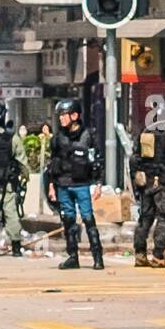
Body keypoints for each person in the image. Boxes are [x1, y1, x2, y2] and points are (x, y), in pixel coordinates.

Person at [46, 98, 105, 271]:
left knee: (88, 219)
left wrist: (99, 184)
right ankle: (73, 257)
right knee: (68, 221)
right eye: (60, 116)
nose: (61, 119)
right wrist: (51, 186)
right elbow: (52, 163)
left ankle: (97, 257)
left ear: (75, 115)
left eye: (64, 115)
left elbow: (97, 161)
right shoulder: (58, 138)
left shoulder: (88, 136)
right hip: (63, 184)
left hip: (82, 185)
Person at [130, 97, 165, 268]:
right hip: (163, 180)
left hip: (145, 181)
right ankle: (159, 254)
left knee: (145, 218)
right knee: (164, 216)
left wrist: (137, 180)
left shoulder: (144, 130)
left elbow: (134, 158)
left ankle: (140, 253)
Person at [0, 98, 30, 257]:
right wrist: (25, 179)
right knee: (11, 214)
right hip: (8, 185)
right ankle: (16, 247)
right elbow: (23, 163)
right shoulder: (12, 138)